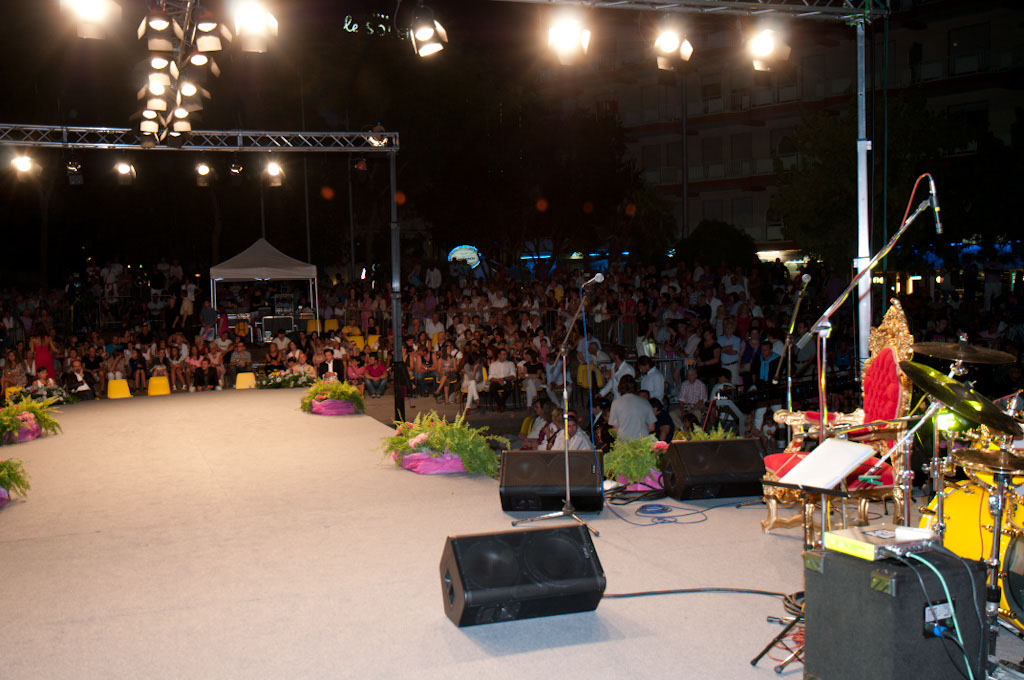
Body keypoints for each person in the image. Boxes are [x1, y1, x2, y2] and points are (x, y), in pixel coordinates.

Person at [608, 375, 656, 440]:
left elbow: (615, 428)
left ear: (620, 387)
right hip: (642, 442)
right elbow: (652, 427)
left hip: (624, 442)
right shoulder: (645, 402)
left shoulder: (615, 403)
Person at [487, 348, 516, 412]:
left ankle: (500, 404)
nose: (506, 356)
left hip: (506, 380)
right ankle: (502, 404)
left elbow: (513, 375)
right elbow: (490, 377)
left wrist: (503, 379)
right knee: (492, 389)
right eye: (504, 354)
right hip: (496, 381)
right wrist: (498, 380)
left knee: (509, 388)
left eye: (506, 354)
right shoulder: (493, 365)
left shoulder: (510, 363)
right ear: (499, 355)